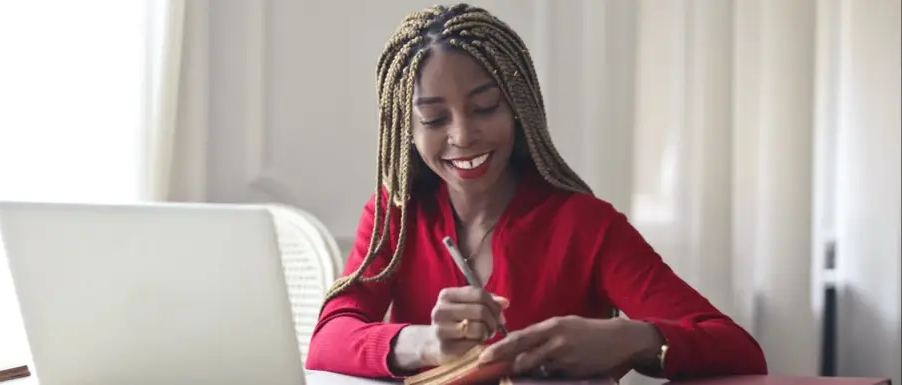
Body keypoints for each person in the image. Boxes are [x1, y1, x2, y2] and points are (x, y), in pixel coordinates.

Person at [304, 3, 767, 381]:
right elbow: (327, 340)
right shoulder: (395, 216)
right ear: (406, 129)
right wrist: (425, 342)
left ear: (520, 108)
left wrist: (632, 338)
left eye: (485, 107)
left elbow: (738, 349)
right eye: (434, 119)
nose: (462, 136)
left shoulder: (586, 225)